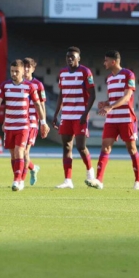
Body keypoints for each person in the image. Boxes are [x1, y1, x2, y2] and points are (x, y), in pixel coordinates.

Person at [85, 50, 139, 190]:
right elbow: (113, 98)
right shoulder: (109, 78)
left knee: (132, 149)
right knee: (105, 147)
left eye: (105, 60)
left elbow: (127, 97)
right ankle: (99, 180)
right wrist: (105, 103)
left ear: (113, 61)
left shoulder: (128, 74)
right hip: (112, 119)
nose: (103, 63)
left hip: (126, 118)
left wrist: (110, 107)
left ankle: (138, 181)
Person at [0, 59, 50, 191]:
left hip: (24, 125)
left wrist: (43, 122)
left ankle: (18, 180)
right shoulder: (5, 85)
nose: (14, 74)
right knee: (13, 154)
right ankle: (19, 177)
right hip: (9, 125)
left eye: (17, 71)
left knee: (20, 151)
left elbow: (39, 104)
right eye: (12, 71)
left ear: (23, 71)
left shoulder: (31, 86)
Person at [52, 46, 96, 189]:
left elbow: (92, 94)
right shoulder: (62, 73)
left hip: (80, 115)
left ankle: (90, 172)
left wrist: (85, 113)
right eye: (68, 57)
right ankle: (68, 180)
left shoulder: (85, 72)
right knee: (66, 146)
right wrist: (56, 113)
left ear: (79, 58)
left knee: (81, 146)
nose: (70, 59)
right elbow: (61, 94)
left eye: (73, 56)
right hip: (66, 115)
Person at [22, 57, 47, 186]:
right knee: (18, 153)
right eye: (24, 66)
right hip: (19, 121)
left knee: (25, 152)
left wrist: (44, 123)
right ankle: (33, 168)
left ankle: (20, 181)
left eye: (29, 66)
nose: (26, 69)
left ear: (33, 68)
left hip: (32, 122)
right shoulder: (17, 83)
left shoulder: (38, 85)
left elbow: (42, 105)